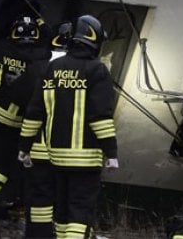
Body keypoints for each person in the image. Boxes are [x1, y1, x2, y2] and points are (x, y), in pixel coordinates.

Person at [18, 14, 118, 239]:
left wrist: (24, 146)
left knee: (61, 213)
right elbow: (100, 116)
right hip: (86, 159)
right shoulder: (97, 70)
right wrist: (111, 152)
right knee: (79, 212)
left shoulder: (51, 69)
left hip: (56, 158)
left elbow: (34, 112)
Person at [0, 15, 51, 221]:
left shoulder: (1, 48)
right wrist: (42, 22)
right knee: (4, 165)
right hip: (16, 121)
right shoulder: (39, 58)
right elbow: (48, 47)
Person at [22, 22, 74, 238]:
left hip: (37, 145)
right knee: (61, 197)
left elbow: (25, 104)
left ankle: (35, 234)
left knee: (37, 196)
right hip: (68, 151)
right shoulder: (82, 73)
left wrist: (23, 146)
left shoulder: (38, 67)